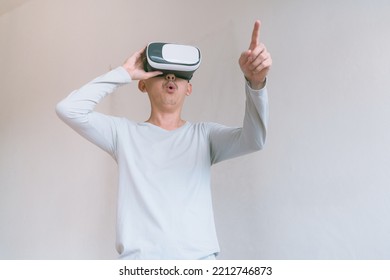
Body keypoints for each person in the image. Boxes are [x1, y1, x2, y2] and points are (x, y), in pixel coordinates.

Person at [56, 20, 272, 260]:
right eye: (161, 72)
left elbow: (254, 139)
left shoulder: (204, 136)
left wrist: (256, 83)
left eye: (180, 75)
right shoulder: (123, 134)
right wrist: (122, 74)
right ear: (142, 85)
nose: (171, 76)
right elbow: (69, 109)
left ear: (188, 89)